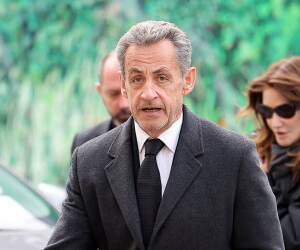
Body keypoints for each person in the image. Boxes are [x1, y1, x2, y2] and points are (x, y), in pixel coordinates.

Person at [45, 21, 284, 250]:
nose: (148, 93)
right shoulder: (88, 161)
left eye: (162, 77)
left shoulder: (234, 157)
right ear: (124, 84)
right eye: (137, 79)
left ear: (187, 80)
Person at [239, 56, 300, 250]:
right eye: (267, 111)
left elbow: (288, 239)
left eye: (286, 111)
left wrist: (261, 182)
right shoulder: (257, 148)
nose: (275, 122)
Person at [70, 50, 131, 154]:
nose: (124, 104)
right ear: (100, 91)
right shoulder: (84, 144)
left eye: (129, 92)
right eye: (113, 94)